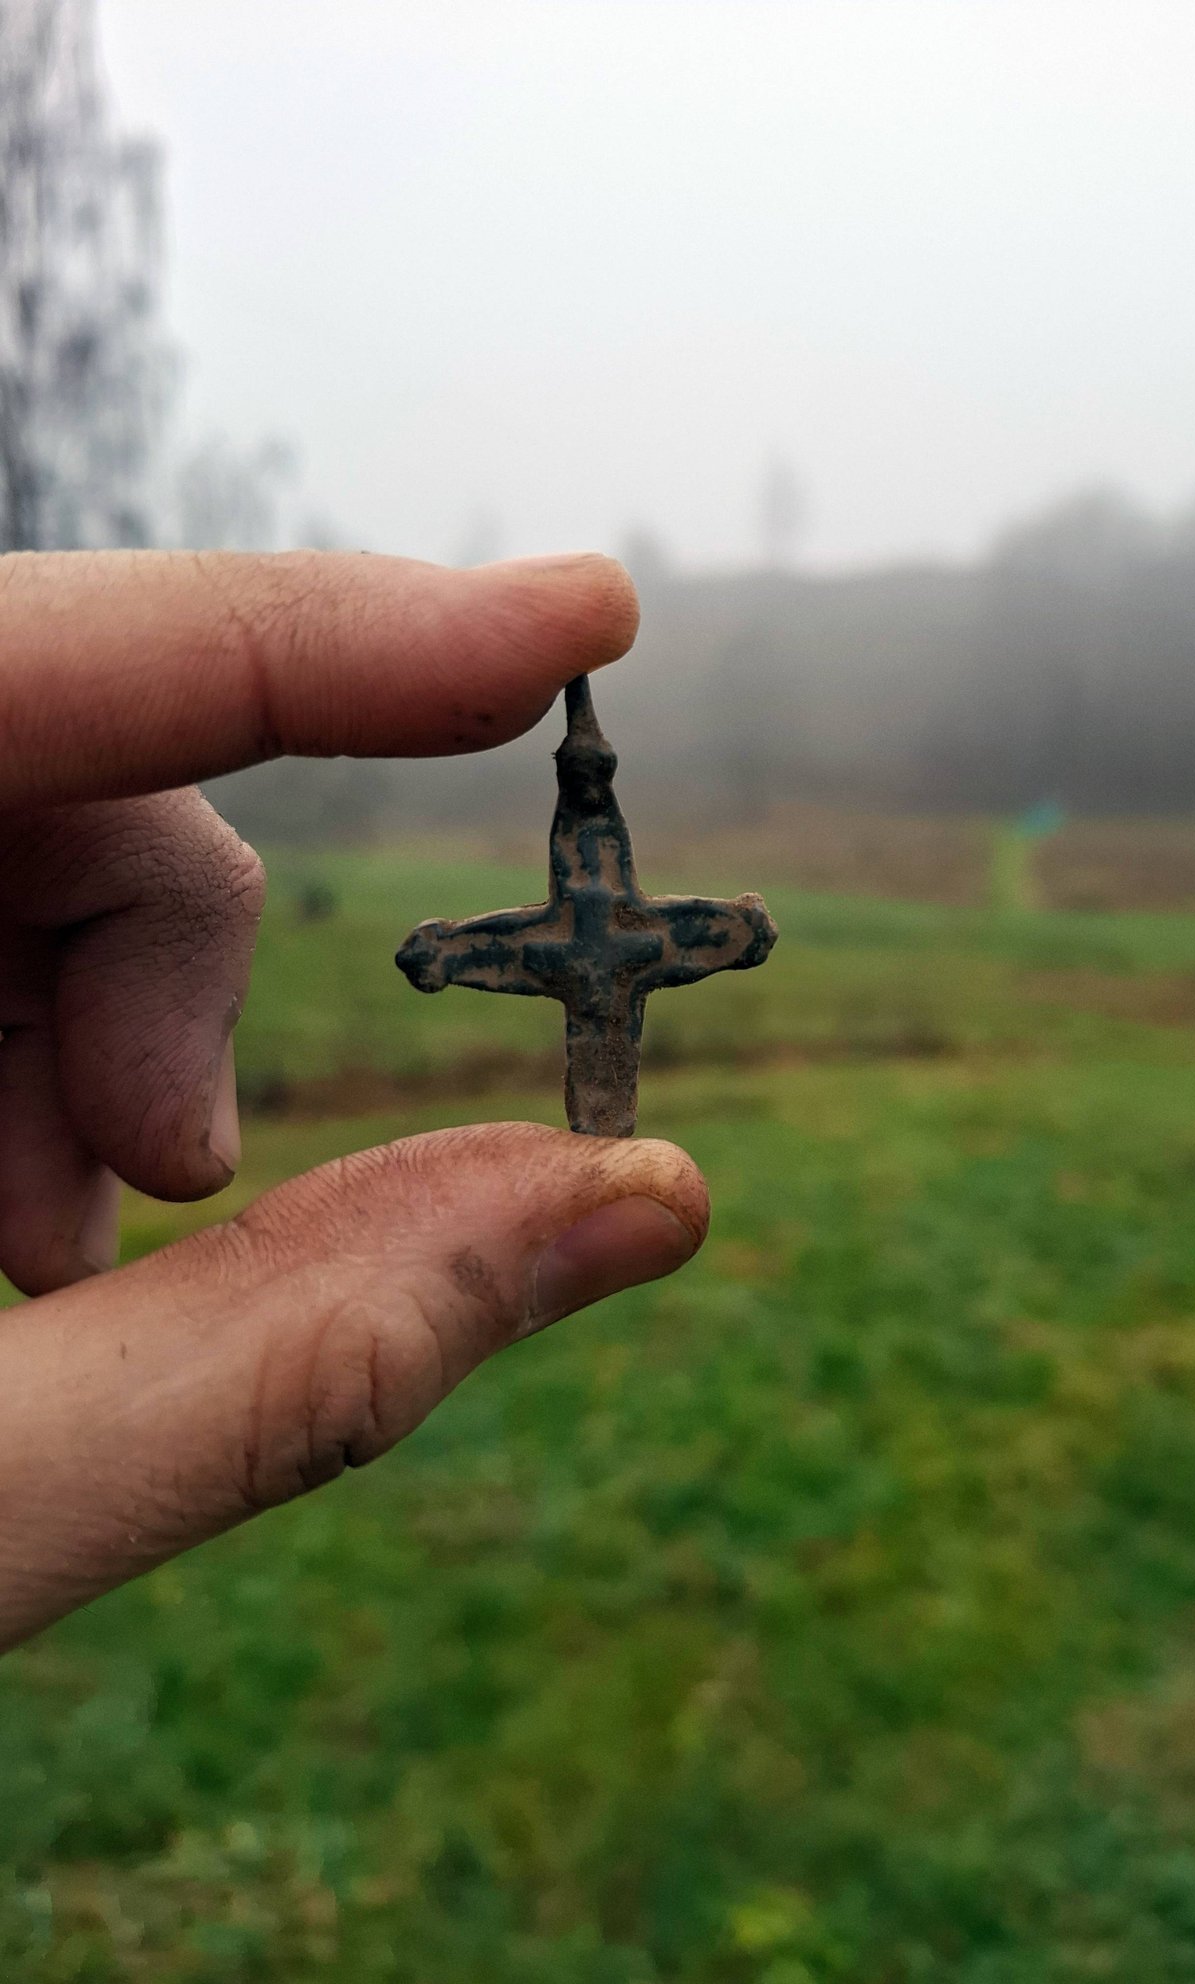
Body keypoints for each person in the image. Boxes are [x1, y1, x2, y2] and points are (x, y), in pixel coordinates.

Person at [0, 549, 707, 1653]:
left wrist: (449, 949)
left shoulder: (647, 920)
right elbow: (525, 942)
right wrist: (448, 949)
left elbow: (715, 928)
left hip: (606, 994)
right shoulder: (591, 918)